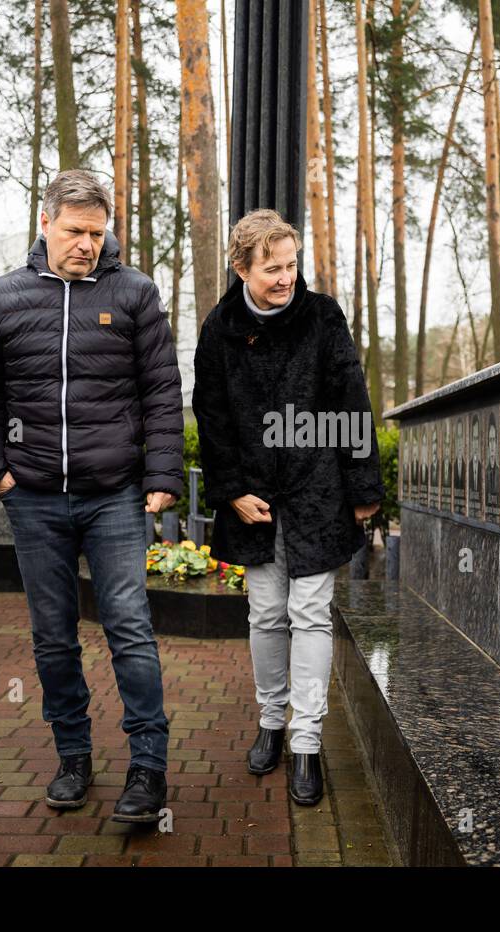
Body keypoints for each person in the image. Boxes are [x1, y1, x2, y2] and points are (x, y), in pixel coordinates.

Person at [0, 169, 182, 822]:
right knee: (53, 638)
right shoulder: (4, 298)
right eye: (74, 231)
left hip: (114, 497)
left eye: (97, 232)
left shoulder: (135, 294)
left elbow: (162, 391)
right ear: (45, 223)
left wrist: (163, 476)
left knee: (131, 632)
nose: (87, 243)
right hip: (32, 498)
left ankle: (148, 767)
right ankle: (74, 756)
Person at [193, 209, 382, 806]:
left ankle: (306, 741)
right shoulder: (218, 328)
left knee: (312, 612)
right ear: (241, 267)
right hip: (251, 496)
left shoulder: (323, 316)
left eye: (291, 264)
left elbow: (351, 397)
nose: (285, 278)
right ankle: (271, 724)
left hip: (317, 490)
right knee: (267, 613)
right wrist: (228, 490)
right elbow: (212, 415)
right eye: (272, 268)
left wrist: (363, 489)